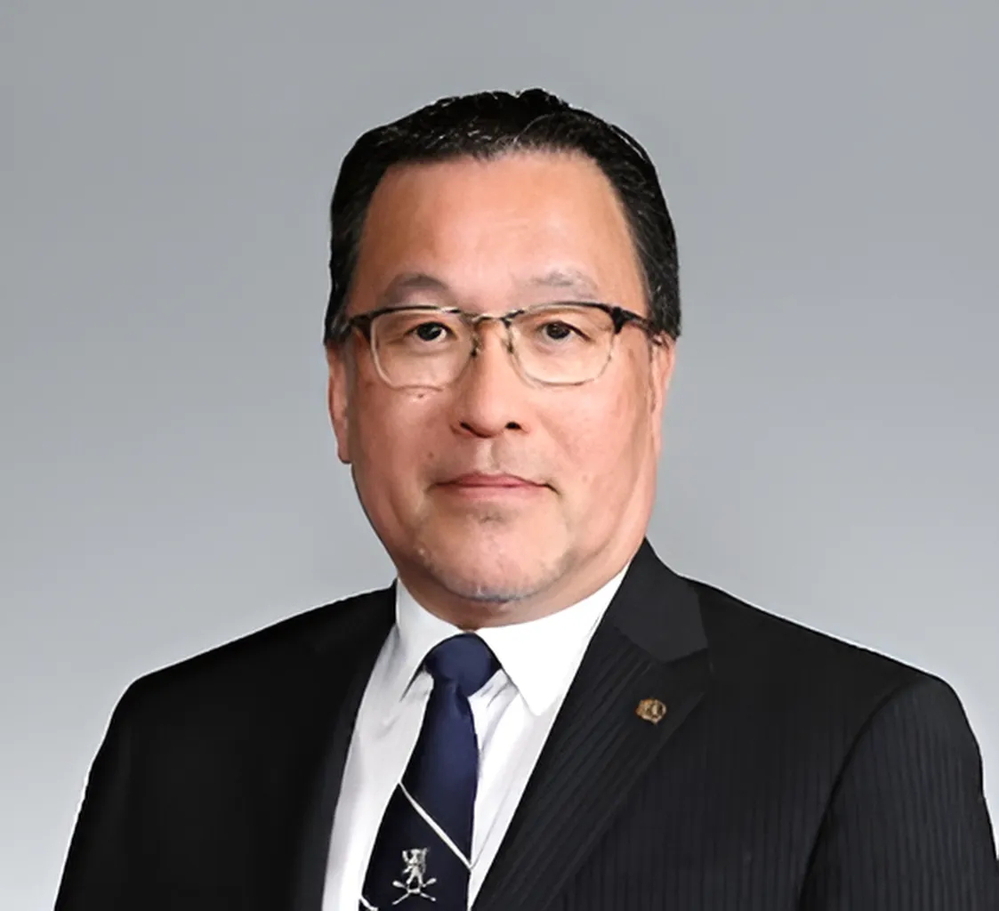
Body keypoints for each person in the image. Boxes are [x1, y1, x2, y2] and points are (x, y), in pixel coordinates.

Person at [55, 89, 998, 911]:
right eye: (426, 330)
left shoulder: (857, 745)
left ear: (654, 381)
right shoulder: (177, 738)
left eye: (557, 330)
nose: (488, 405)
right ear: (342, 391)